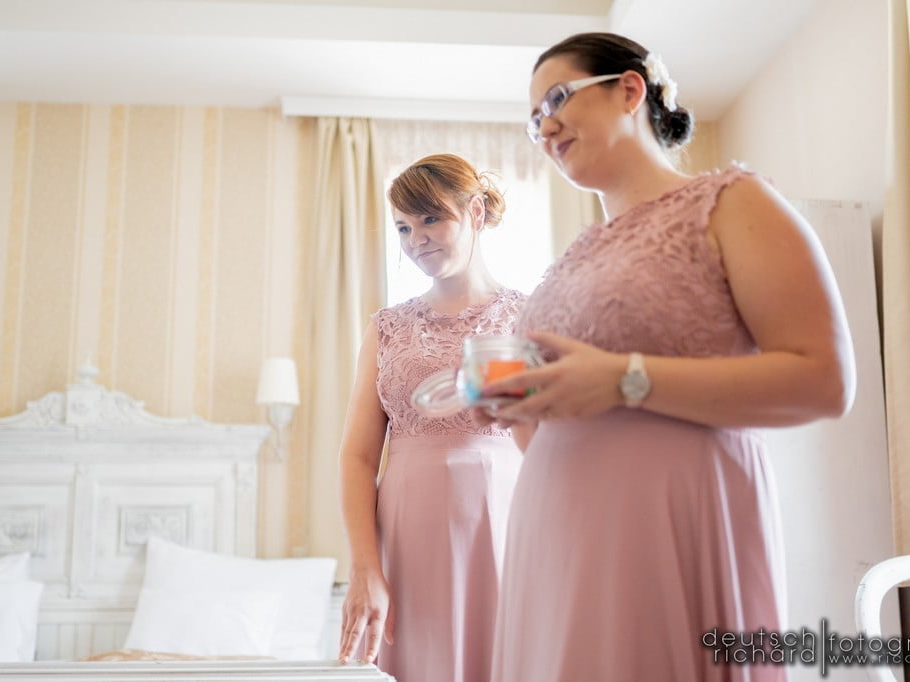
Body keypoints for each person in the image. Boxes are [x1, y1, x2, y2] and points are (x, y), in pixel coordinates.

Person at [478, 33, 857, 681]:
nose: (546, 127)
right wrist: (519, 407)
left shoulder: (733, 202)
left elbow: (825, 380)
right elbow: (554, 420)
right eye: (534, 119)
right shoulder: (570, 258)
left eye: (558, 99)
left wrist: (626, 380)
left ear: (629, 90)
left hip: (670, 518)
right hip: (558, 530)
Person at [337, 153, 528, 682]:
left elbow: (554, 445)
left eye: (430, 218)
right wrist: (365, 567)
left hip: (506, 525)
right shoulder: (386, 328)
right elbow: (357, 457)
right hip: (406, 537)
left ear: (476, 212)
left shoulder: (530, 317)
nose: (415, 239)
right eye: (403, 227)